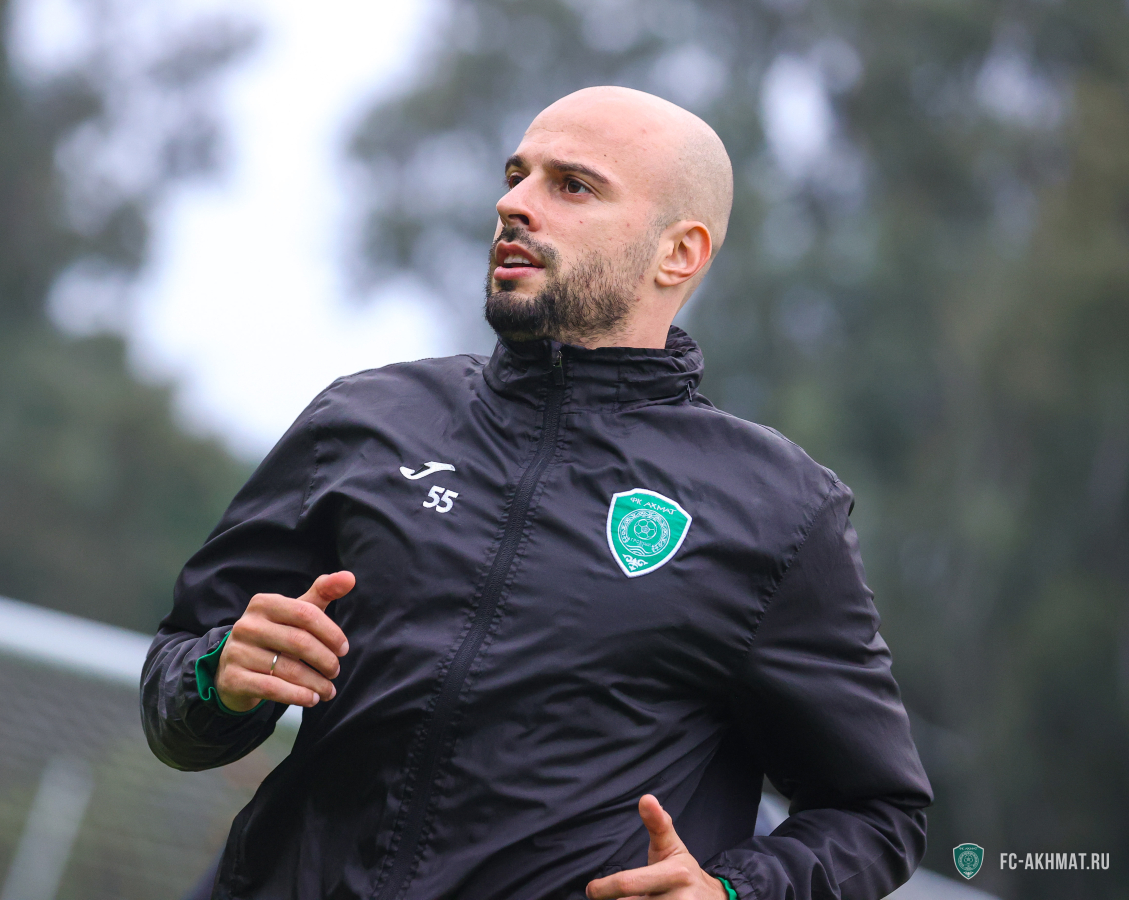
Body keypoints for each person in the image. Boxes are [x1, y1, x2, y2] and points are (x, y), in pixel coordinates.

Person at [141, 86, 932, 900]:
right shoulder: (366, 418)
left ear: (678, 253)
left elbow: (877, 813)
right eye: (516, 176)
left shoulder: (778, 511)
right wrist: (217, 677)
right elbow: (178, 684)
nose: (513, 205)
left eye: (572, 186)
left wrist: (735, 893)